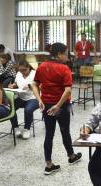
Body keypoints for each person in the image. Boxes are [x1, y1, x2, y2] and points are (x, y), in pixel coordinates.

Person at [31, 42, 82, 175]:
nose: (68, 57)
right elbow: (68, 91)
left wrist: (40, 100)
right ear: (59, 55)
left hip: (47, 106)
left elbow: (34, 84)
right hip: (61, 106)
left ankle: (49, 165)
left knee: (49, 134)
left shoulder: (41, 66)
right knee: (65, 132)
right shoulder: (64, 69)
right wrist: (58, 105)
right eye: (66, 54)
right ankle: (71, 157)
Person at [8, 60, 39, 139]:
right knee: (10, 108)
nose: (23, 72)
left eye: (25, 70)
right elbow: (16, 83)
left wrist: (30, 86)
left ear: (28, 67)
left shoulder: (34, 73)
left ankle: (26, 129)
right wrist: (13, 85)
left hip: (33, 98)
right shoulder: (19, 74)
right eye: (21, 70)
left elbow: (40, 85)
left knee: (28, 110)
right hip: (22, 97)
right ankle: (15, 127)